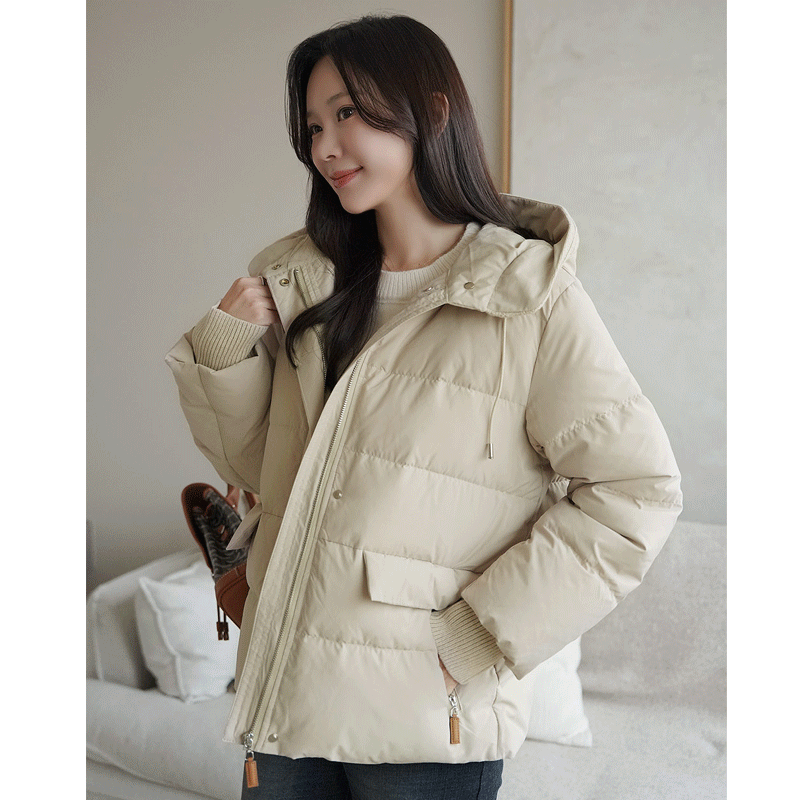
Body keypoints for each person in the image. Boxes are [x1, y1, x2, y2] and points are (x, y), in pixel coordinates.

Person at [165, 13, 682, 800]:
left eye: (347, 113)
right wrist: (224, 352)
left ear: (432, 112)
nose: (325, 147)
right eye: (313, 125)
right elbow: (264, 468)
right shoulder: (308, 285)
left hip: (425, 723)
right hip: (286, 705)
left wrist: (477, 634)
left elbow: (635, 492)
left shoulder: (528, 297)